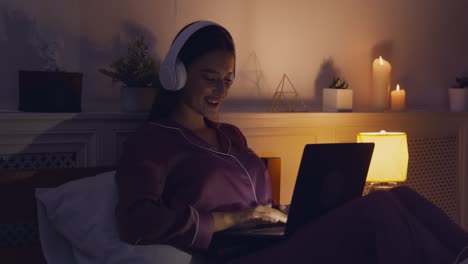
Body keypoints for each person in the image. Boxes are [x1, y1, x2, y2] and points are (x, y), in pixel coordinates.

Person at [115, 21, 468, 264]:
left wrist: (286, 213)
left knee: (393, 194)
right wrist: (231, 220)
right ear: (177, 74)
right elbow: (136, 221)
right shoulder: (153, 142)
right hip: (234, 257)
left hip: (274, 242)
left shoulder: (230, 136)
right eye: (210, 78)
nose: (220, 90)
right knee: (377, 212)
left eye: (227, 79)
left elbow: (258, 206)